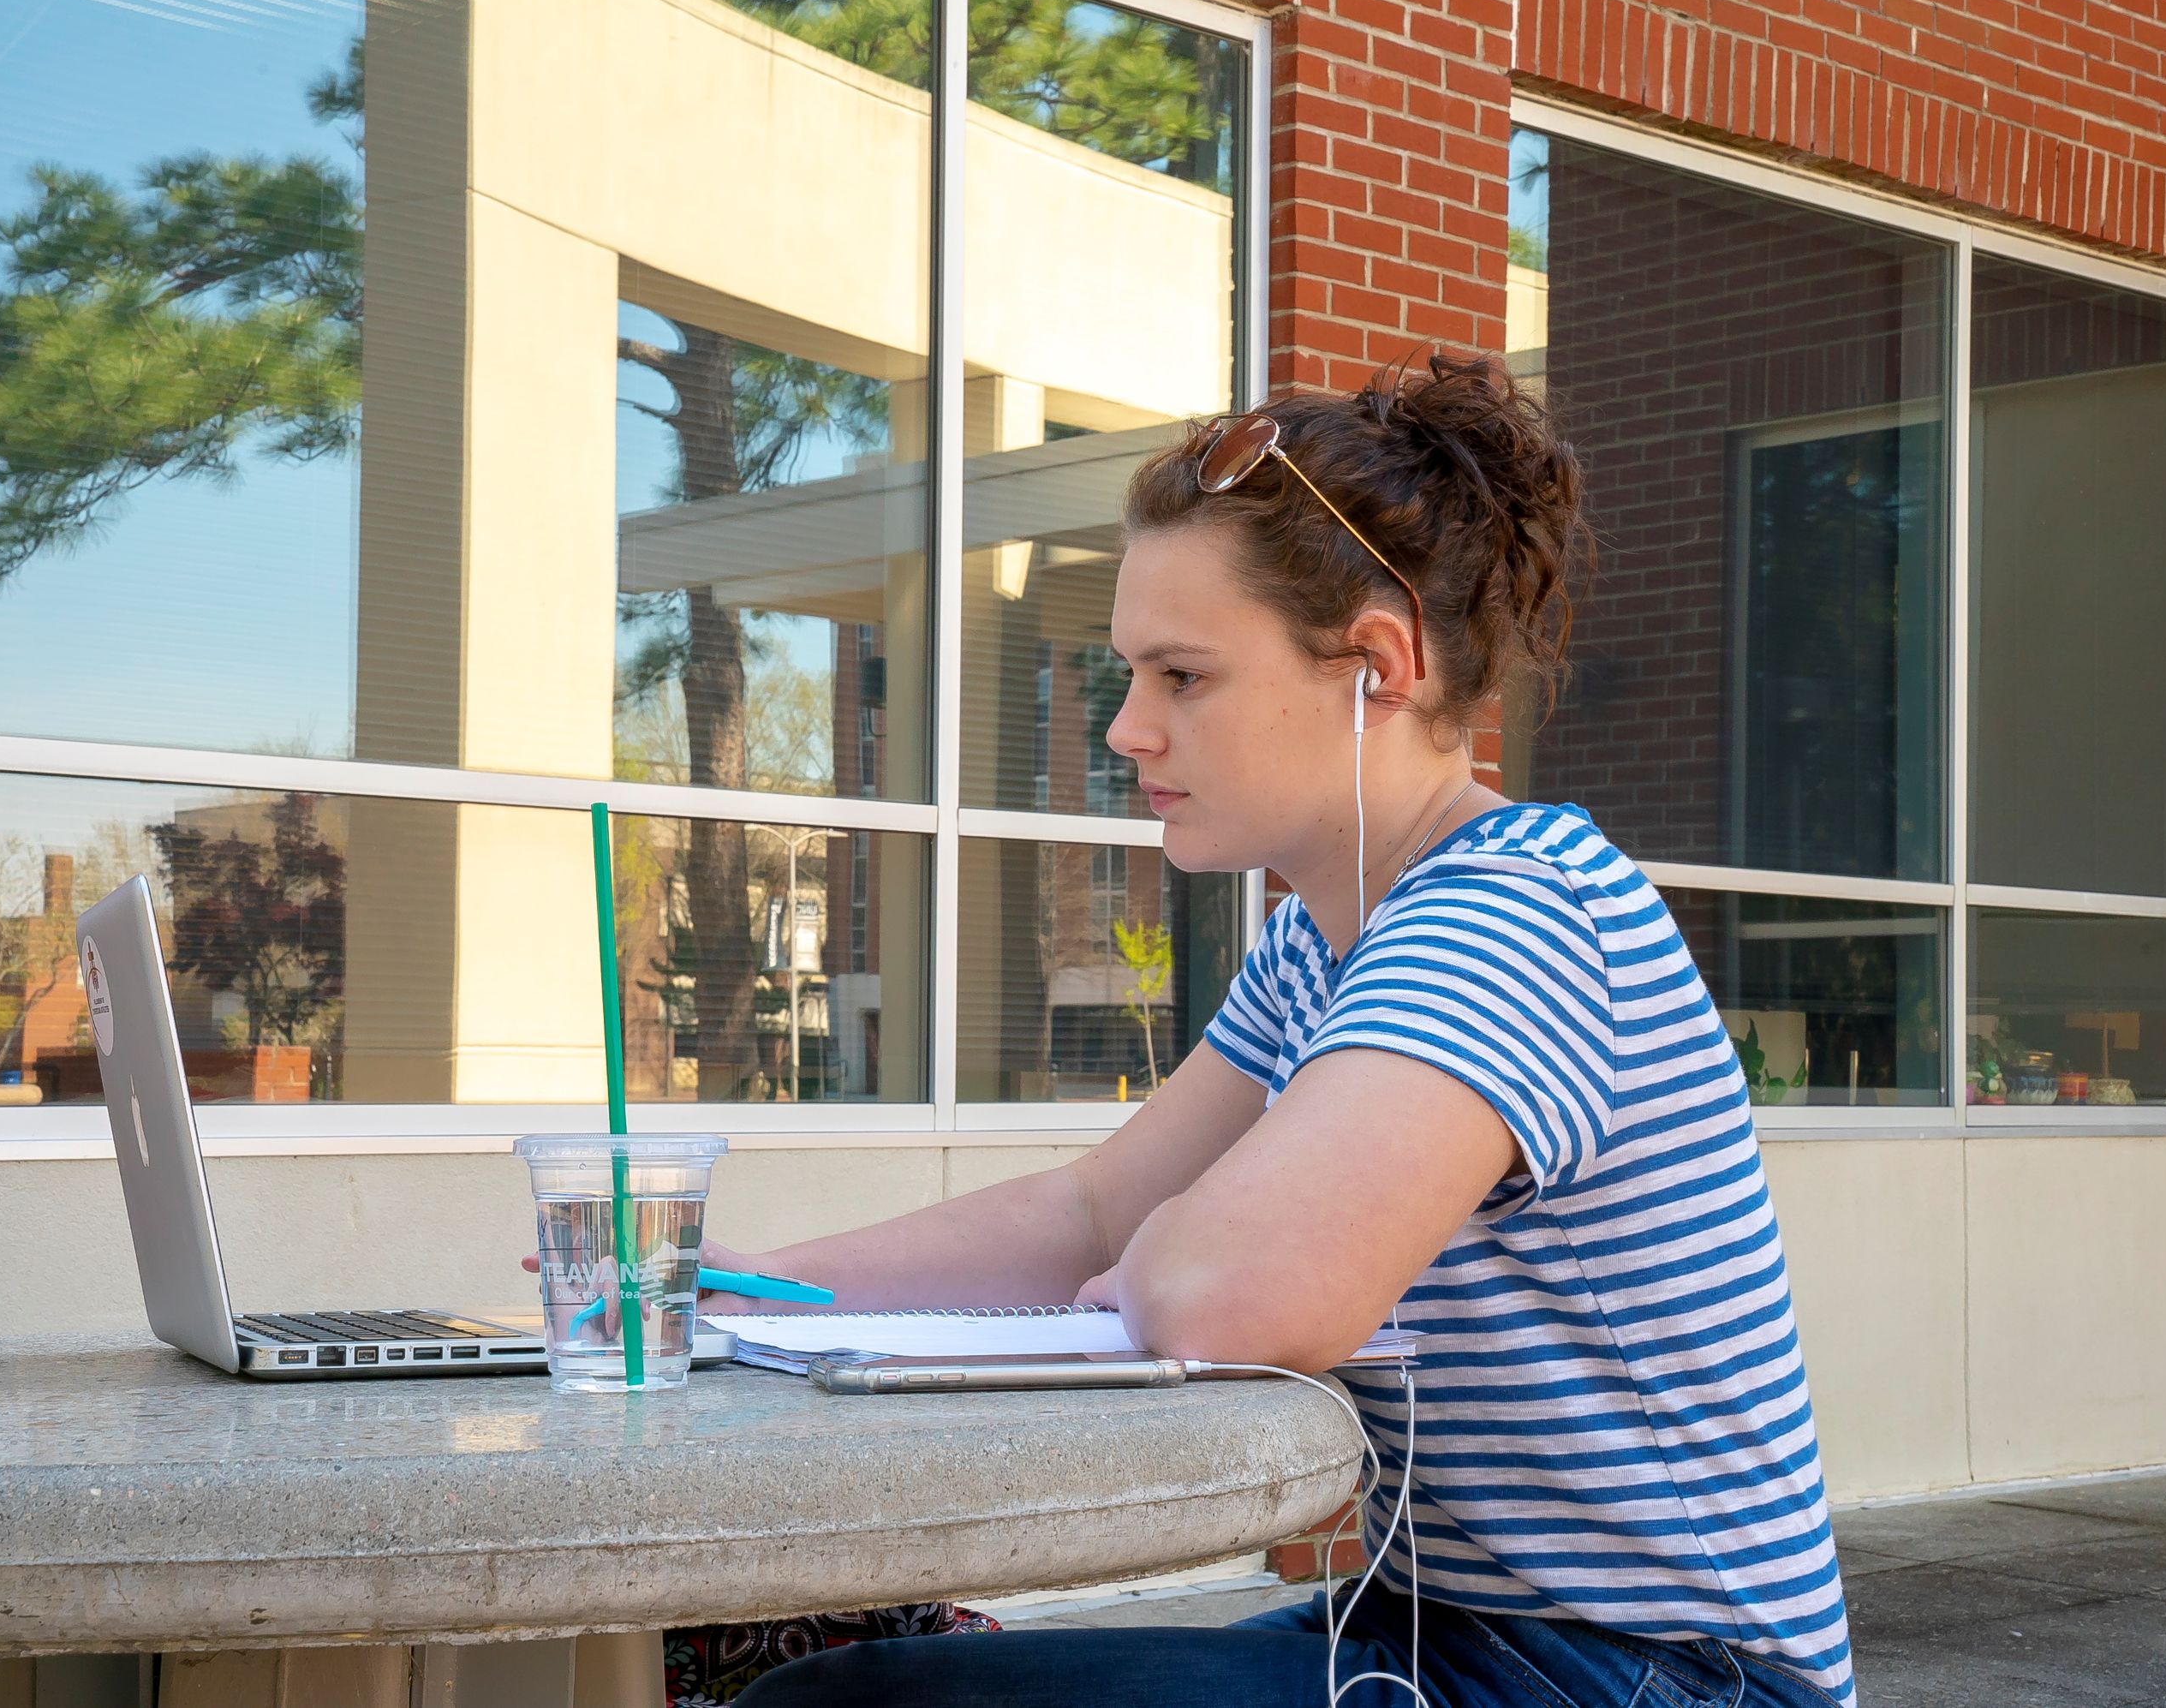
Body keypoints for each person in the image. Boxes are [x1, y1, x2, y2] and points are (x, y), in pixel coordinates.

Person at [714, 349, 1852, 1707]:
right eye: (1130, 674)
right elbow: (1098, 1216)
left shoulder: (1516, 916)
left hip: (1667, 1676)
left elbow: (1235, 1291)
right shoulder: (1326, 935)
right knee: (854, 1679)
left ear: (1376, 664)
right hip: (1446, 1633)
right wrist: (742, 1298)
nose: (1128, 728)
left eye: (1182, 676)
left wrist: (1175, 1260)